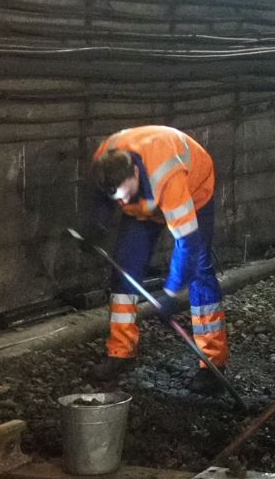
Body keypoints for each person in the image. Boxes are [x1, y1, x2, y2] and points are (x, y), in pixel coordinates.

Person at [87, 126, 226, 388]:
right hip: (145, 206)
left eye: (124, 194)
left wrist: (171, 293)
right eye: (116, 198)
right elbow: (103, 197)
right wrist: (97, 223)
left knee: (199, 272)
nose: (121, 201)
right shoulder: (104, 159)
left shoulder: (167, 178)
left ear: (135, 172)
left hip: (194, 192)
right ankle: (121, 352)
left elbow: (187, 243)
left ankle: (212, 364)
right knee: (124, 270)